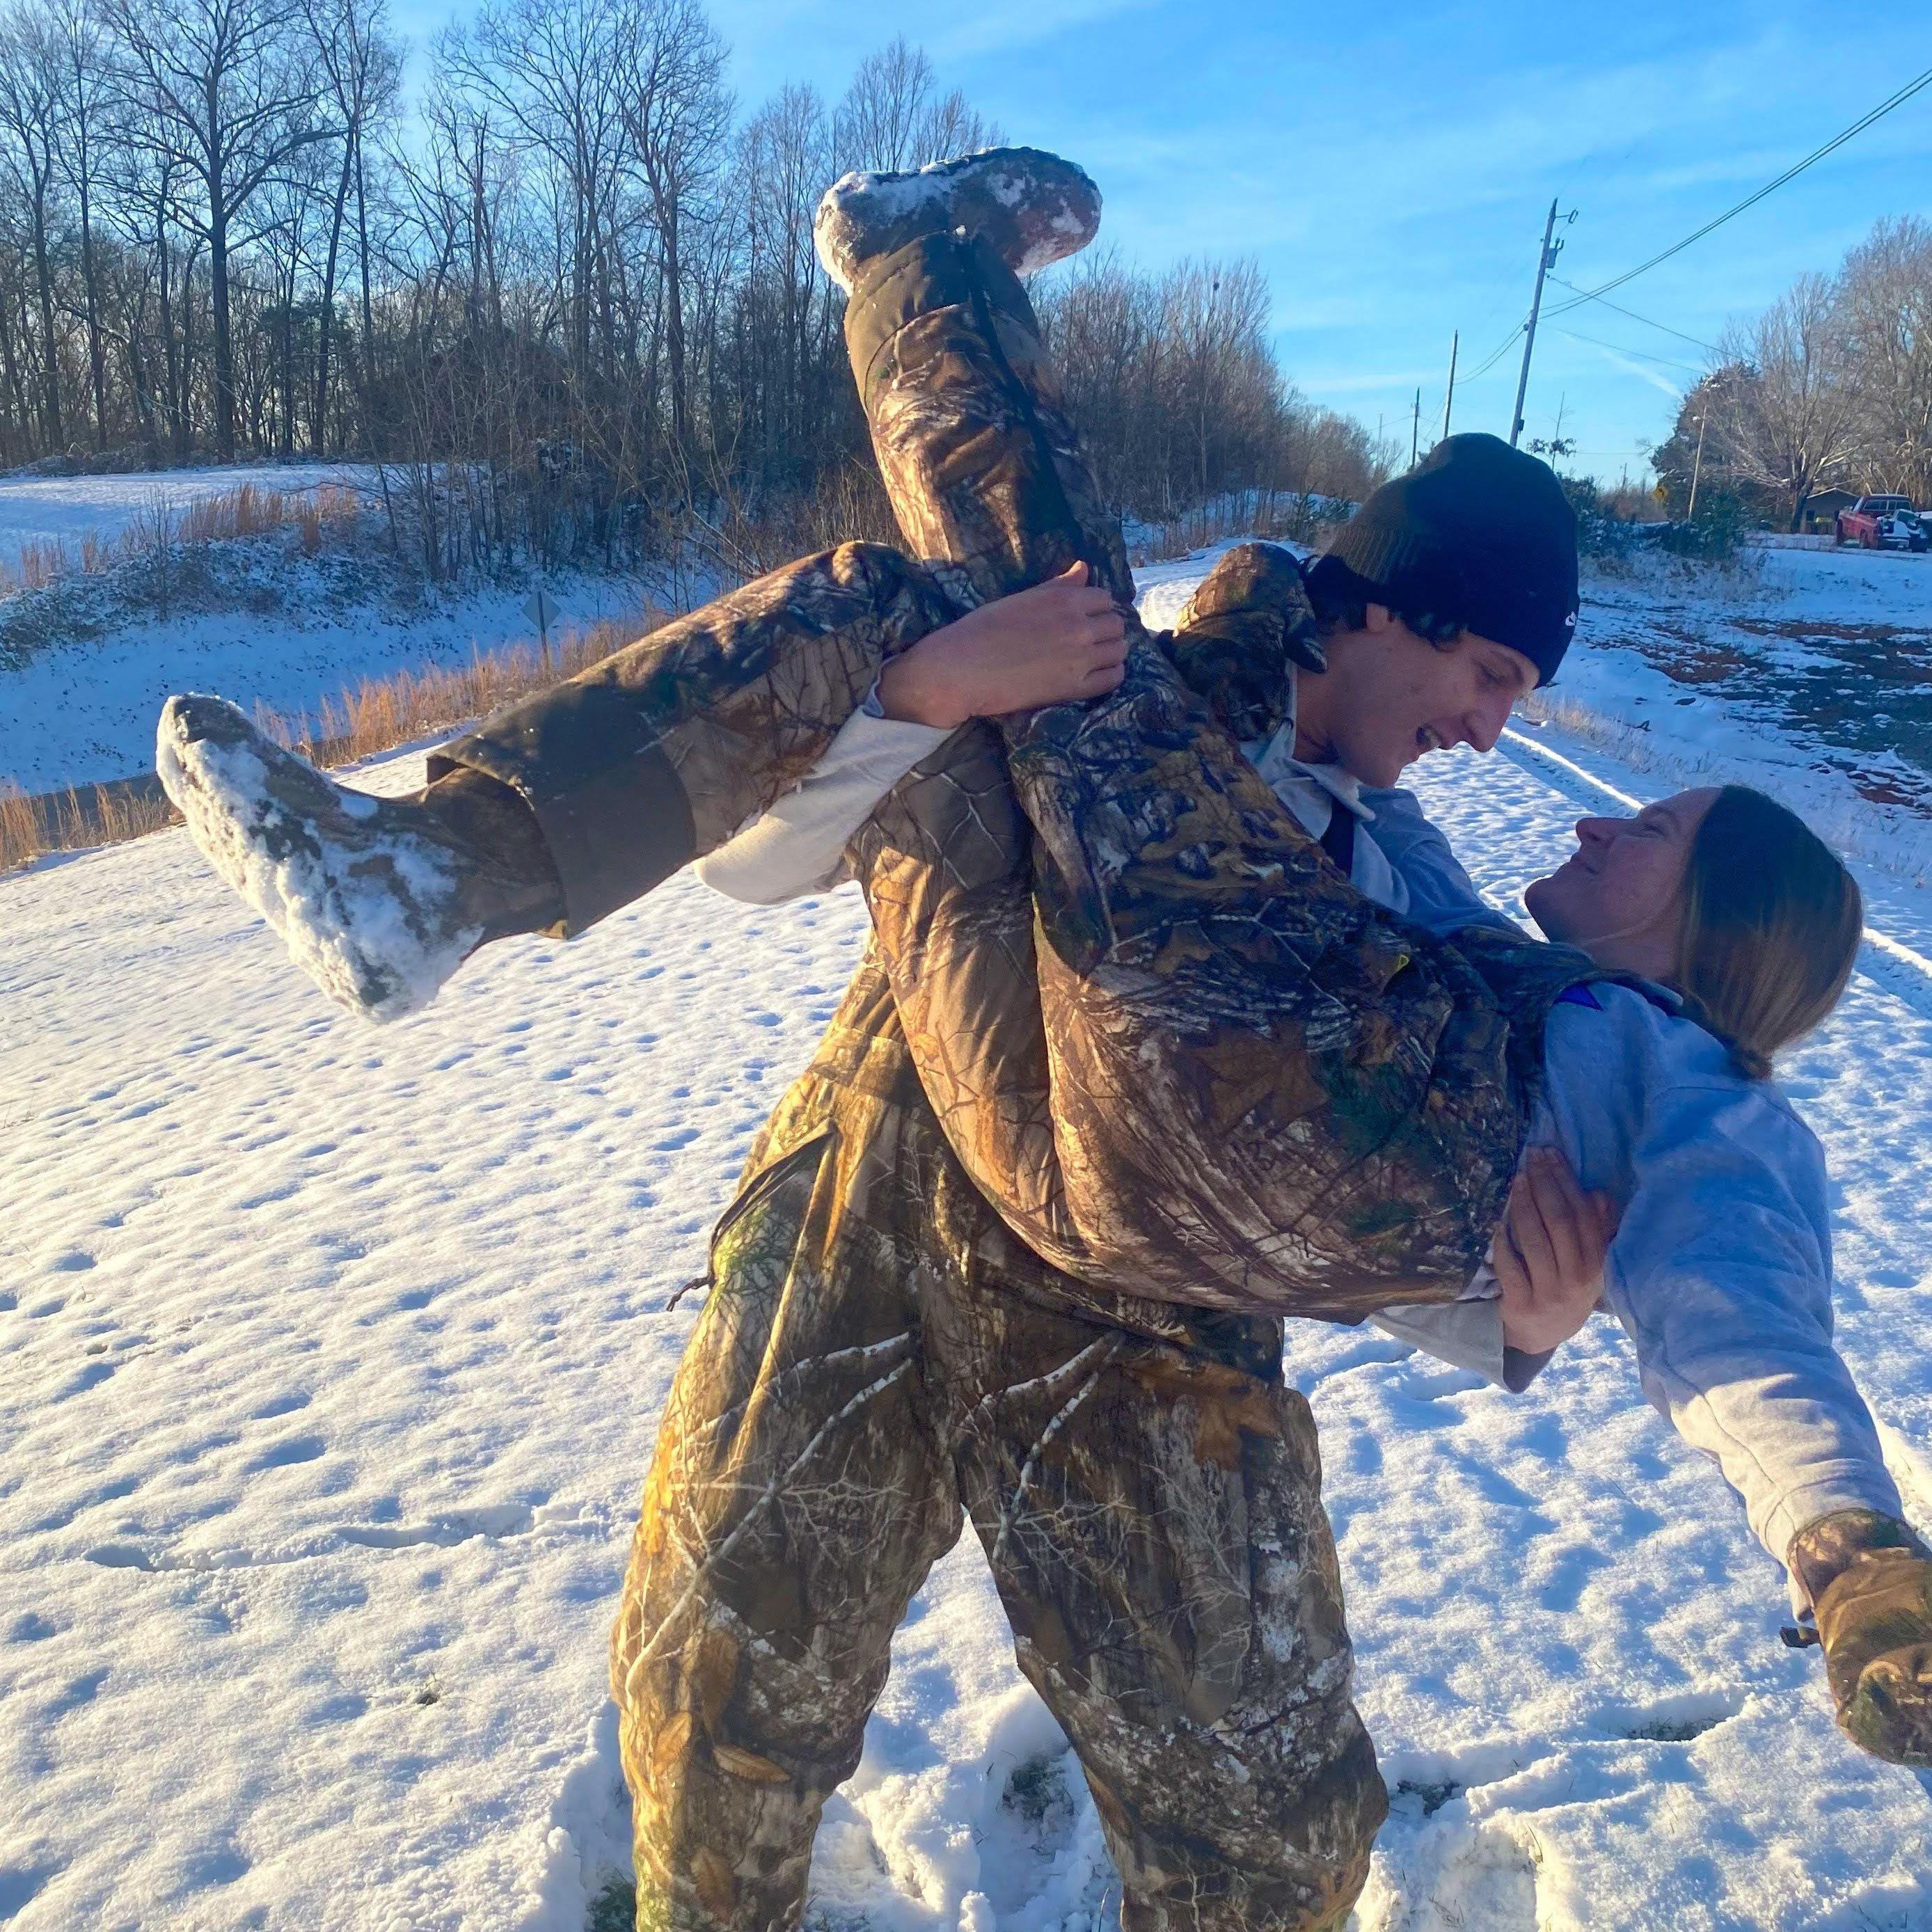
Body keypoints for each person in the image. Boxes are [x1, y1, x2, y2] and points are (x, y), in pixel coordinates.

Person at [151, 147, 1932, 1932]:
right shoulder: (1120, 698)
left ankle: (912, 278)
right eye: (1487, 683)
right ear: (1389, 604)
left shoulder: (1400, 882)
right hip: (881, 1163)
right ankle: (447, 864)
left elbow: (1443, 1171)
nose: (1491, 739)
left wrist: (1503, 1319)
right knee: (719, 1691)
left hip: (1132, 1301)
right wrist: (917, 700)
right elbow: (761, 866)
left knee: (1271, 1825)